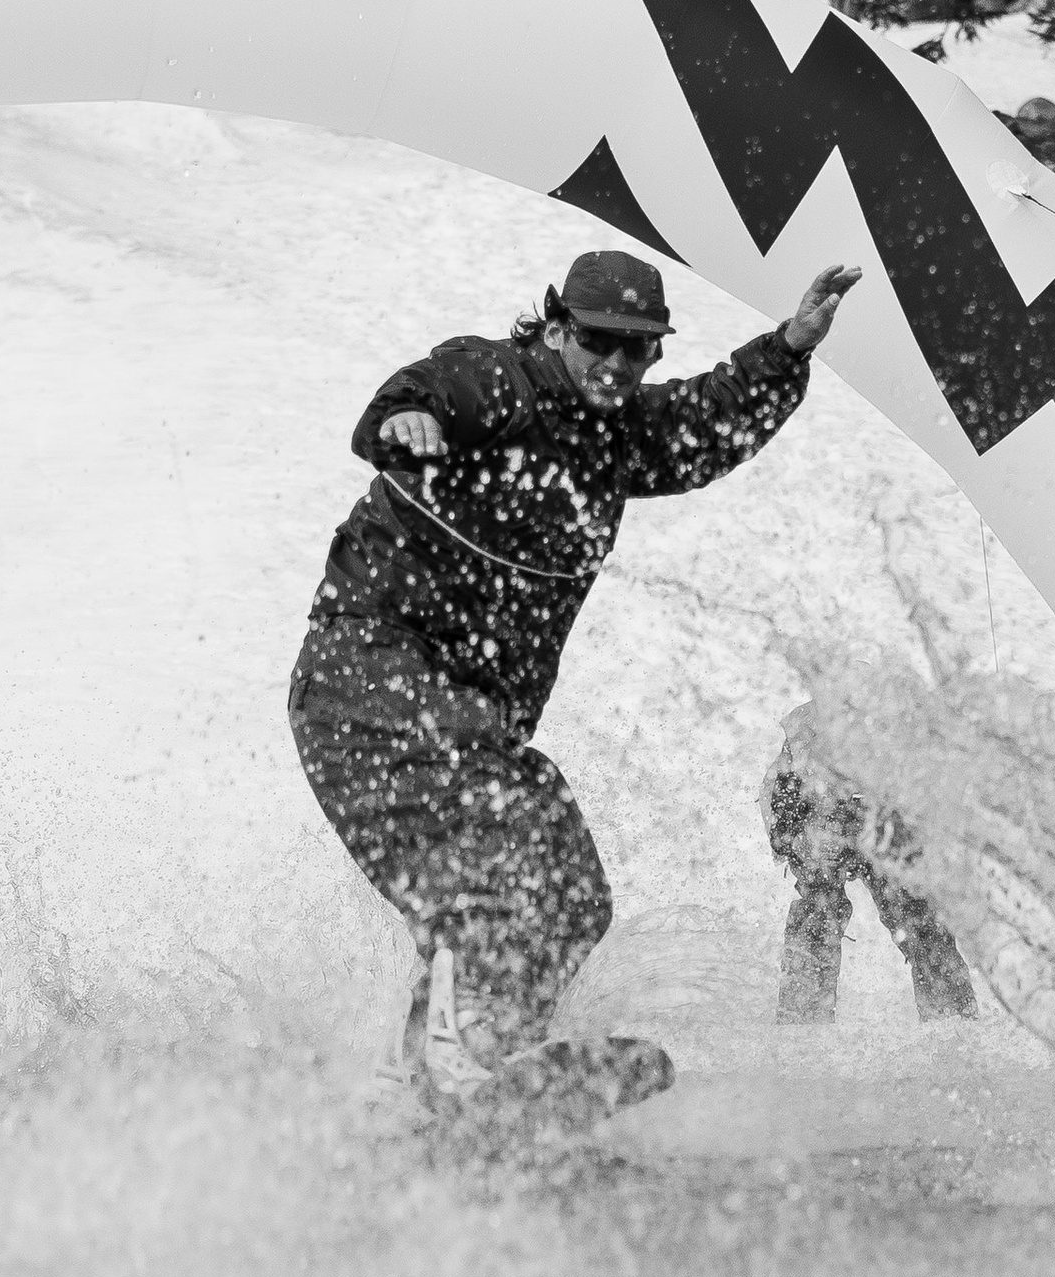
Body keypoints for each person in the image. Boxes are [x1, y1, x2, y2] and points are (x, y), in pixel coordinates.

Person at [290, 245, 862, 1123]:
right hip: (365, 683)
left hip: (467, 722)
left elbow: (708, 422)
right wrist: (406, 424)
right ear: (557, 327)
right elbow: (417, 394)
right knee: (484, 866)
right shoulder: (499, 381)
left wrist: (788, 347)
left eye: (638, 350)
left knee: (570, 893)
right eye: (600, 341)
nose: (617, 364)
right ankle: (445, 1065)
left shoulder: (621, 435)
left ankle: (467, 1068)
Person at [759, 703, 977, 1025]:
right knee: (818, 914)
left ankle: (954, 1023)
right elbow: (777, 797)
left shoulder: (902, 730)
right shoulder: (807, 735)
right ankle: (802, 1021)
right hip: (823, 820)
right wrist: (791, 843)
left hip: (885, 820)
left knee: (918, 918)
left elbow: (937, 796)